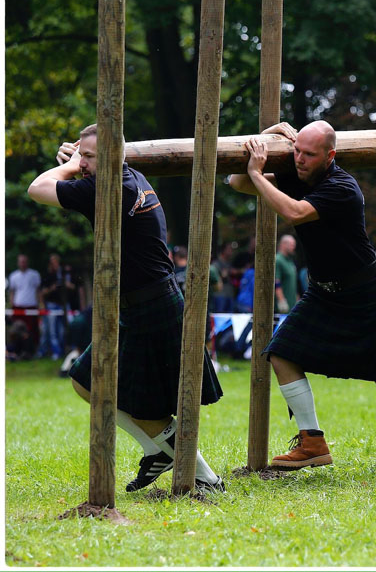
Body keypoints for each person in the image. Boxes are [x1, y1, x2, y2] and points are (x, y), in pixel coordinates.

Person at [27, 123, 225, 493]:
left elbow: (36, 188)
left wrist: (69, 166)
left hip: (154, 307)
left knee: (132, 400)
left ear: (113, 156)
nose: (82, 163)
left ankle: (206, 478)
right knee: (86, 382)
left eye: (89, 156)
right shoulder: (131, 176)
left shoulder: (108, 188)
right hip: (144, 306)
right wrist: (80, 162)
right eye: (81, 154)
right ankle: (159, 451)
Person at [227, 119, 376, 470]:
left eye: (309, 154)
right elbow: (237, 181)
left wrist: (260, 175)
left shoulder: (343, 187)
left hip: (364, 292)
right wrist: (268, 137)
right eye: (296, 152)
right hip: (323, 292)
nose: (299, 160)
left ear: (330, 155)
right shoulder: (295, 173)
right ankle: (312, 442)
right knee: (280, 353)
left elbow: (293, 212)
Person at [7, 254, 42, 357]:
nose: (22, 263)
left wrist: (40, 305)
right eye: (21, 261)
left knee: (32, 330)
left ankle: (32, 351)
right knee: (17, 331)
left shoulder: (34, 274)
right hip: (18, 307)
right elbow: (12, 292)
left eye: (24, 261)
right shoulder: (13, 276)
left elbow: (38, 291)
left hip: (31, 306)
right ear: (18, 263)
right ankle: (18, 351)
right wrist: (12, 306)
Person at [37, 254, 69, 360]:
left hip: (62, 306)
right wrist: (52, 288)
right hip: (51, 306)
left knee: (61, 330)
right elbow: (42, 292)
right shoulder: (48, 275)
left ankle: (62, 351)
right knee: (52, 331)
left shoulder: (63, 275)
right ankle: (56, 352)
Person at [275, 234, 299, 313]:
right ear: (284, 244)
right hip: (281, 308)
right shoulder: (277, 260)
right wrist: (282, 301)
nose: (294, 247)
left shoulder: (290, 261)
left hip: (292, 305)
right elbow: (276, 282)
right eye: (292, 245)